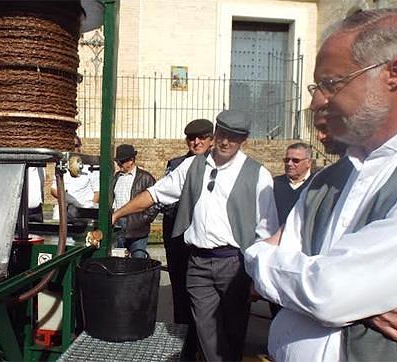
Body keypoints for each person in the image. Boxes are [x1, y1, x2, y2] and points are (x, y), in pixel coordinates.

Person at [245, 9, 397, 361]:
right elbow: (263, 259)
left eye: (332, 84)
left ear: (395, 73)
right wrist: (364, 300)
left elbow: (329, 292)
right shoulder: (328, 179)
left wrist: (265, 258)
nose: (317, 102)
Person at [112, 110, 278, 361]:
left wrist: (258, 276)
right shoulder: (192, 165)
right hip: (198, 263)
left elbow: (267, 230)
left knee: (233, 330)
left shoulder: (258, 175)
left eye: (233, 137)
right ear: (215, 134)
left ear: (244, 139)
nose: (225, 142)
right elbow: (155, 194)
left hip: (235, 264)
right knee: (205, 329)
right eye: (222, 134)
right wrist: (116, 214)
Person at [161, 119, 214, 357]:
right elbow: (164, 199)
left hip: (207, 242)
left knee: (207, 302)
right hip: (179, 239)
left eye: (202, 137)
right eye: (192, 138)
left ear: (211, 139)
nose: (196, 142)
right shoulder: (176, 164)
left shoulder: (219, 165)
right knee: (180, 295)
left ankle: (205, 348)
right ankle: (183, 346)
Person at [112, 144, 158, 258]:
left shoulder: (146, 178)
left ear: (131, 160)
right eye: (118, 162)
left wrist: (144, 219)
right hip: (117, 227)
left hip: (137, 229)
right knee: (118, 263)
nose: (119, 165)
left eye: (121, 162)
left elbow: (156, 202)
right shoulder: (116, 177)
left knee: (138, 262)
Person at [51, 136, 99, 221]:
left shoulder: (90, 166)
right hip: (63, 211)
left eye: (75, 146)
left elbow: (97, 192)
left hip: (82, 213)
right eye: (70, 146)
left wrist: (89, 211)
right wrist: (69, 199)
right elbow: (54, 189)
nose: (73, 149)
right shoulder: (62, 165)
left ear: (80, 147)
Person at [273, 142, 313, 225]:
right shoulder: (274, 184)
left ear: (308, 162)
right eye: (287, 160)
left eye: (295, 160)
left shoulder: (316, 185)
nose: (289, 164)